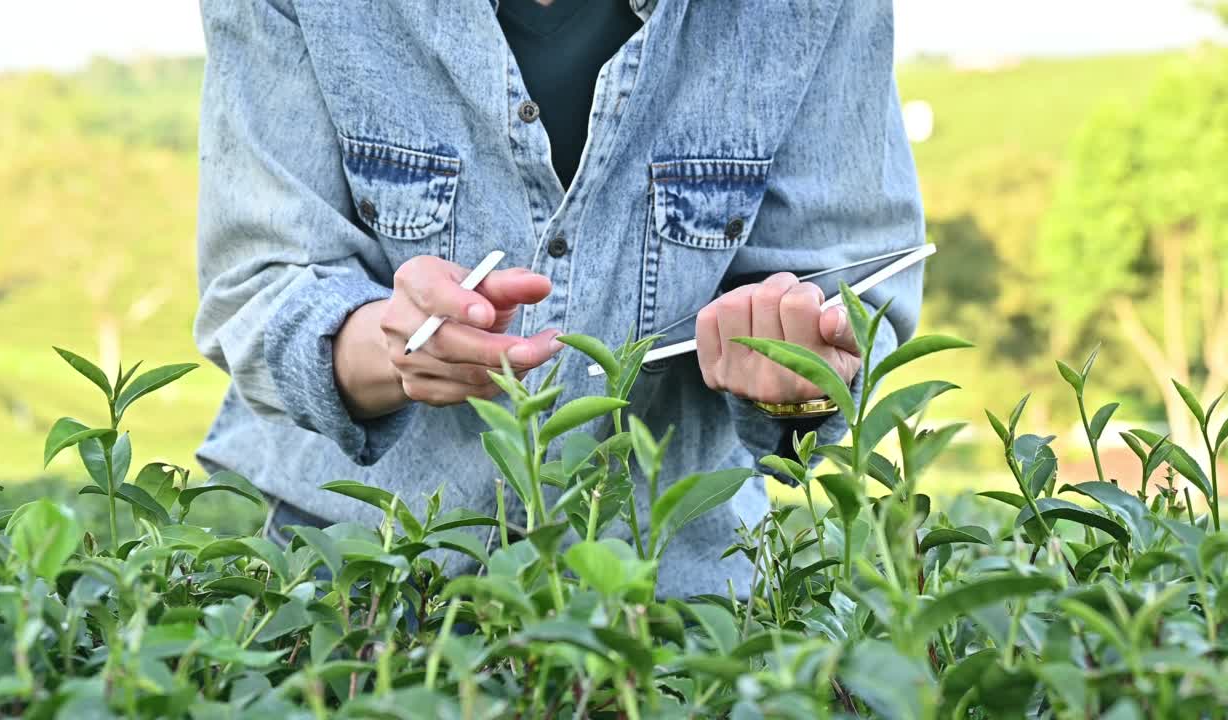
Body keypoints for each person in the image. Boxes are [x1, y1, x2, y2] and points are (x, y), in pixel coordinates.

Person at [194, 0, 924, 598]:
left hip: (662, 597)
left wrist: (802, 375)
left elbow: (854, 303)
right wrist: (390, 347)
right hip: (357, 573)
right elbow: (261, 285)